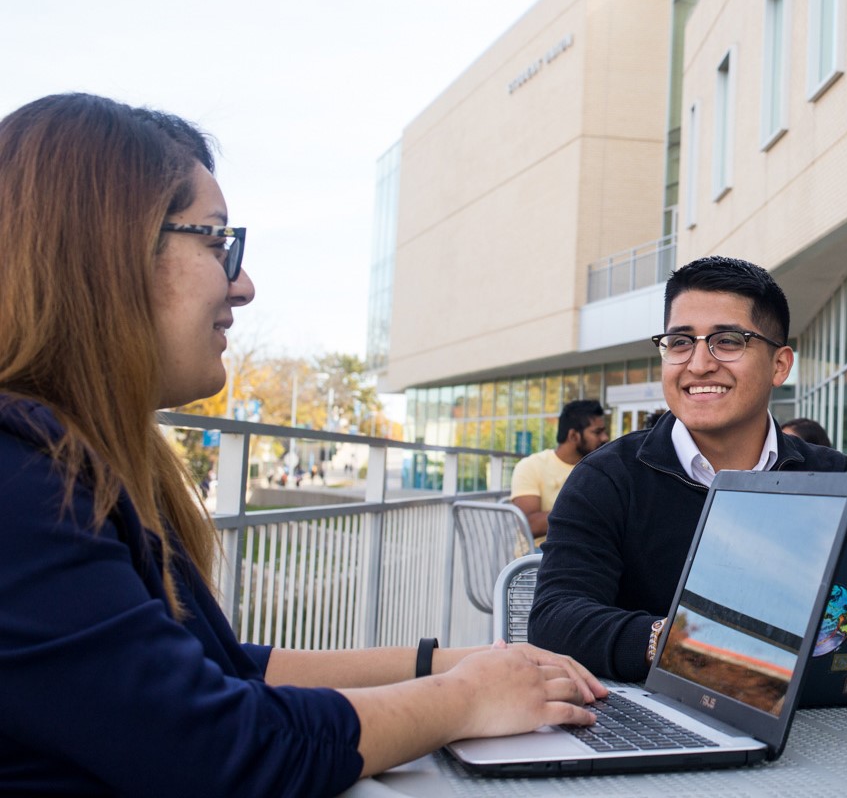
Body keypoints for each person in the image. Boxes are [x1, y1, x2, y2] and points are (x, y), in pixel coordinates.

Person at [0, 94, 605, 796]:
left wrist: (453, 665)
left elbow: (222, 667)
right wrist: (462, 699)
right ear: (106, 250)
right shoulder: (20, 479)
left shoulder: (70, 462)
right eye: (217, 240)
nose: (244, 283)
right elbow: (217, 746)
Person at [529, 256, 847, 687]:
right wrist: (676, 641)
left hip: (812, 730)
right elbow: (555, 620)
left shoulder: (833, 478)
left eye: (727, 341)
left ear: (780, 365)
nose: (699, 363)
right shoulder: (607, 478)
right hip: (654, 721)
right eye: (680, 342)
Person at [508, 398, 608, 543]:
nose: (605, 438)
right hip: (539, 557)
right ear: (573, 435)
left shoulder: (600, 469)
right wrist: (585, 510)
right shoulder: (531, 466)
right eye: (597, 432)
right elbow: (530, 526)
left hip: (587, 552)